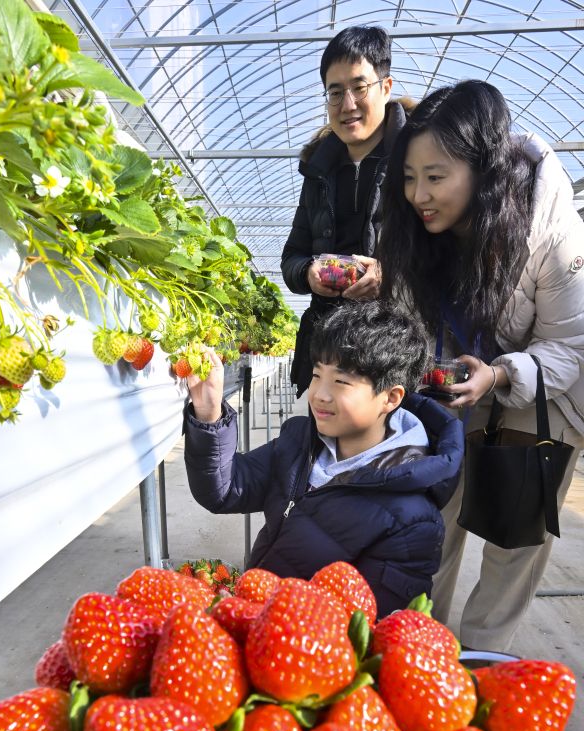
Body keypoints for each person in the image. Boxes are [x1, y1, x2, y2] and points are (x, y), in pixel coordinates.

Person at [379, 79, 584, 650]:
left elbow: (569, 347)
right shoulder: (420, 233)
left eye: (435, 177)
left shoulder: (552, 232)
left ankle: (482, 657)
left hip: (546, 390)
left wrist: (499, 374)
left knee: (516, 529)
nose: (419, 194)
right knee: (430, 513)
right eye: (409, 177)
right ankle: (418, 644)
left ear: (483, 171)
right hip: (460, 382)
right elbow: (412, 324)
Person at [183, 302, 464, 617]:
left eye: (341, 382)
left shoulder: (411, 518)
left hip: (303, 639)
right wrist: (209, 414)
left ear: (390, 397)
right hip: (259, 613)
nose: (319, 394)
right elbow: (222, 490)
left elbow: (369, 627)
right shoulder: (298, 444)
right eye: (317, 374)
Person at [281, 25, 414, 397]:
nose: (348, 104)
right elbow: (291, 257)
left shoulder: (416, 159)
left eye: (359, 87)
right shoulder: (318, 172)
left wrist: (390, 276)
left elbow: (446, 252)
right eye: (335, 92)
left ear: (385, 88)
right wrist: (308, 273)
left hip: (392, 350)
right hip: (327, 352)